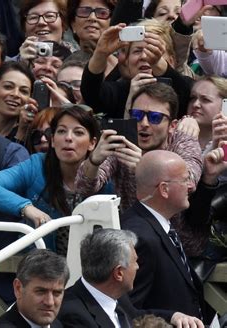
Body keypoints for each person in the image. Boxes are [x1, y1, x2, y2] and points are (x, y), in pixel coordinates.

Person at [0, 106, 99, 254]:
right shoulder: (36, 165)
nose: (68, 138)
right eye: (61, 131)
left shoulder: (104, 169)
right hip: (43, 266)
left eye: (78, 132)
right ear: (52, 140)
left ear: (92, 143)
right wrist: (26, 207)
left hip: (93, 266)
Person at [76, 82, 202, 212]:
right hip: (132, 228)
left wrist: (144, 168)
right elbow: (84, 188)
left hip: (175, 229)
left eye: (155, 117)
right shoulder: (122, 142)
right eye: (137, 115)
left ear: (172, 126)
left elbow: (189, 183)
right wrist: (94, 161)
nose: (144, 123)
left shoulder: (182, 139)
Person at [58, 228, 204, 327]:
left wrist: (174, 316)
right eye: (135, 261)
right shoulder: (73, 315)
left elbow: (136, 316)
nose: (137, 267)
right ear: (119, 273)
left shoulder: (115, 295)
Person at [120, 150, 204, 319]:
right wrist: (171, 317)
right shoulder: (140, 238)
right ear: (164, 189)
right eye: (185, 179)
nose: (191, 186)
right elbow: (126, 311)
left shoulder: (157, 224)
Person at [0, 249, 68, 328]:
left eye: (57, 293)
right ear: (18, 288)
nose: (49, 302)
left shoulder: (57, 324)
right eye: (41, 291)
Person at [0, 61, 35, 144]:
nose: (15, 94)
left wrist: (21, 132)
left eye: (23, 91)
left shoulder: (33, 137)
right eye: (8, 87)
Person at [186, 76, 227, 153]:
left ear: (224, 105)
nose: (195, 104)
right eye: (193, 98)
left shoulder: (225, 142)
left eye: (205, 100)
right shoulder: (173, 136)